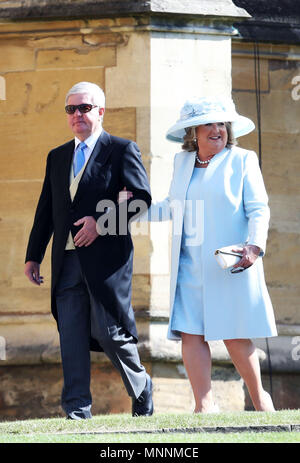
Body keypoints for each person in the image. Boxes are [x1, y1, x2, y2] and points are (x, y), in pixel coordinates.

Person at [121, 96, 277, 413]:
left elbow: (259, 209)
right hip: (189, 264)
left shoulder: (243, 160)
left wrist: (254, 246)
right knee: (191, 332)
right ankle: (203, 405)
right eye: (209, 123)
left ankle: (261, 399)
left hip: (228, 262)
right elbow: (171, 206)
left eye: (222, 123)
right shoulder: (183, 163)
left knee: (234, 335)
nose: (217, 129)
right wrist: (132, 210)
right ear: (193, 131)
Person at [24, 81, 153, 420]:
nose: (77, 115)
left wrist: (101, 222)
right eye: (71, 109)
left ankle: (141, 386)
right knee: (71, 338)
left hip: (106, 263)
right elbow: (46, 209)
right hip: (66, 262)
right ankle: (77, 412)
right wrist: (33, 255)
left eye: (84, 108)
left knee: (111, 334)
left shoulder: (122, 149)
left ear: (101, 111)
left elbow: (141, 199)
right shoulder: (57, 156)